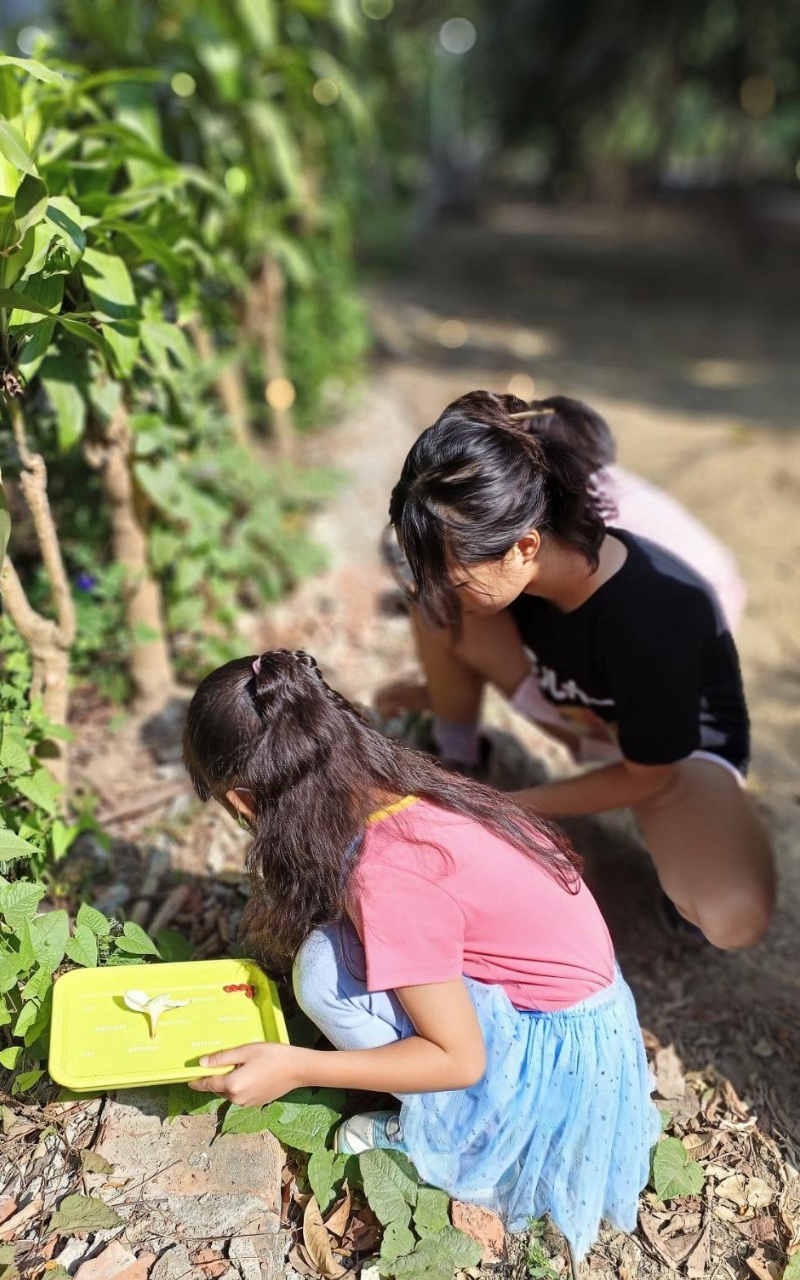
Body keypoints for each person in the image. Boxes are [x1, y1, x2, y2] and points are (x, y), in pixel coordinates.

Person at [182, 648, 659, 1263]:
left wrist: (297, 1067)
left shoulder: (388, 875)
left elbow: (458, 1058)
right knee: (334, 953)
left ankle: (462, 1136)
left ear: (245, 802)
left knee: (323, 975)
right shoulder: (398, 789)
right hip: (582, 1009)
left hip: (554, 1062)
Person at [386, 390, 774, 950]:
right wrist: (437, 691)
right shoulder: (528, 553)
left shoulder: (648, 619)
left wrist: (504, 807)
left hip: (675, 756)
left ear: (524, 547)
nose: (442, 587)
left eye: (458, 577)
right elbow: (450, 598)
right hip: (585, 705)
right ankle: (459, 756)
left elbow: (650, 775)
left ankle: (703, 845)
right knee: (436, 612)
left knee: (729, 913)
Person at [382, 394, 746, 632]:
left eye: (451, 582)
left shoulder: (597, 559)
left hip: (704, 591)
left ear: (523, 546)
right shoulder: (518, 489)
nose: (431, 594)